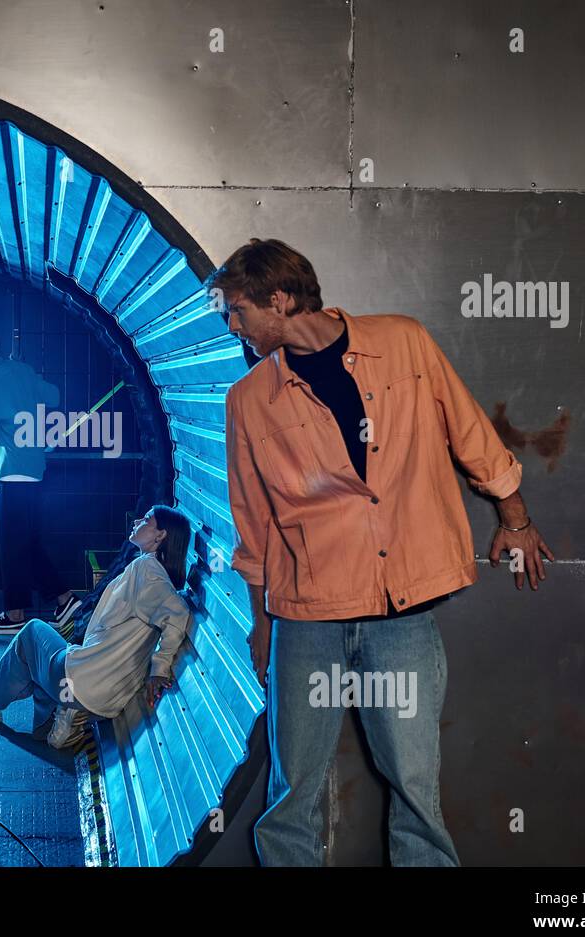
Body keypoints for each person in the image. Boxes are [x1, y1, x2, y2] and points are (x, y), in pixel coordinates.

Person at [216, 238, 555, 866]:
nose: (231, 324)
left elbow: (468, 428)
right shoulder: (247, 400)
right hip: (306, 618)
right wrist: (262, 622)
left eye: (236, 309)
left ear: (280, 299)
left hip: (401, 614)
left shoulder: (403, 343)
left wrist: (516, 516)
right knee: (291, 796)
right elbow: (253, 522)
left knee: (417, 791)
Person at [0, 506, 192, 750]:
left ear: (160, 536)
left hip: (82, 681)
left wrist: (159, 668)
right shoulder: (153, 573)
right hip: (107, 698)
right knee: (43, 665)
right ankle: (61, 718)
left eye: (146, 520)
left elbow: (178, 613)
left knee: (31, 631)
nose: (137, 521)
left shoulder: (146, 570)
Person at [0, 327, 81, 636]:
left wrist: (0, 434)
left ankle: (15, 614)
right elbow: (53, 395)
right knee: (25, 543)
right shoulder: (23, 369)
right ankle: (64, 600)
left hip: (12, 470)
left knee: (12, 547)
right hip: (35, 468)